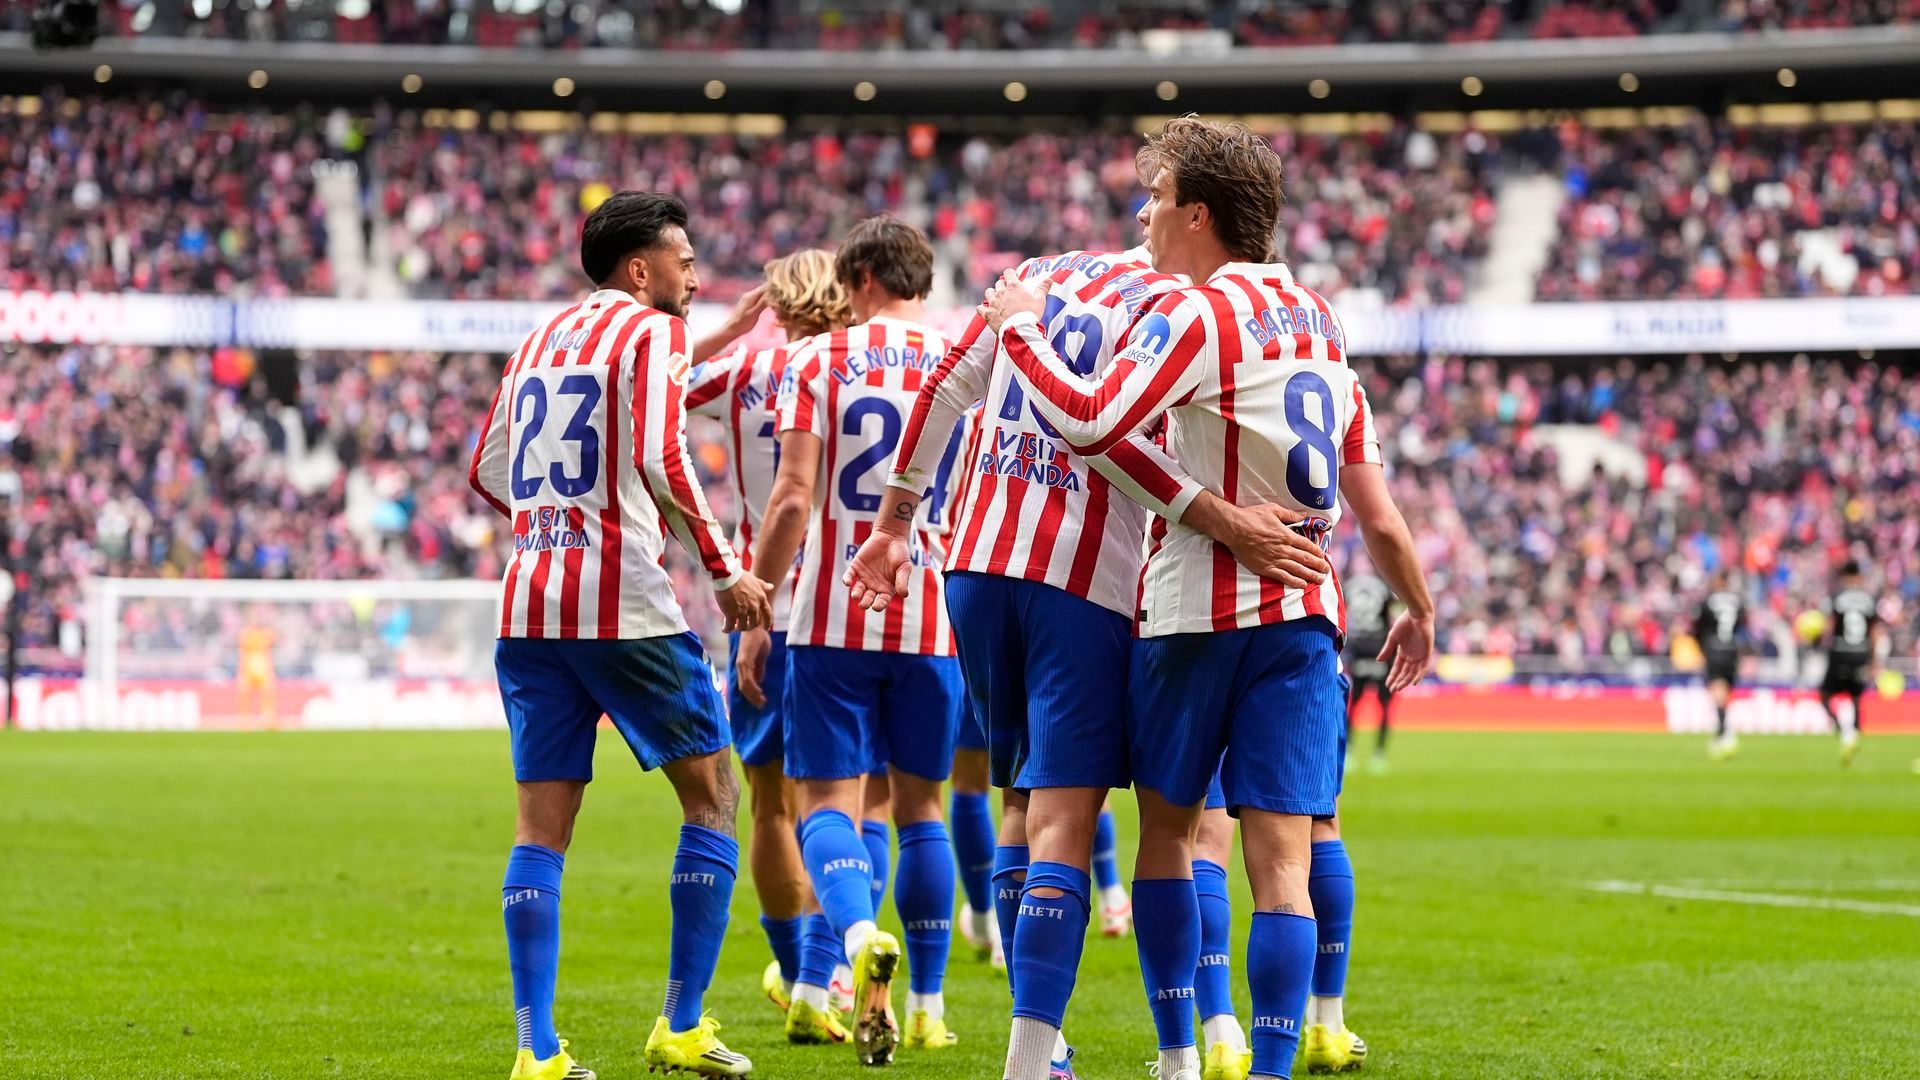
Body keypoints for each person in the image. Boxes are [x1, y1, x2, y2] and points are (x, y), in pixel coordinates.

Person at [980, 116, 1436, 1080]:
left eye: (1155, 199)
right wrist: (1420, 609)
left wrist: (1020, 330)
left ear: (1198, 214)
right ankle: (1266, 1067)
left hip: (1192, 614)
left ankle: (1182, 1053)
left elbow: (1095, 425)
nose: (1142, 217)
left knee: (1170, 838)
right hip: (1305, 626)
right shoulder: (1320, 323)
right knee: (1283, 865)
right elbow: (1383, 518)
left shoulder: (1196, 315)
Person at [845, 233, 1331, 1080]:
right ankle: (1068, 1061)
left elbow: (944, 389)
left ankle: (1048, 1048)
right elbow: (1111, 435)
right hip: (1084, 580)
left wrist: (892, 522)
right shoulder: (1176, 309)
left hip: (975, 563)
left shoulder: (1033, 274)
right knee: (1090, 824)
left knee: (1021, 806)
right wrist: (1219, 515)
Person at [468, 191, 772, 1080]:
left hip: (528, 605)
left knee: (540, 830)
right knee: (714, 793)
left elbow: (489, 469)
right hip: (621, 604)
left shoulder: (536, 344)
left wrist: (555, 518)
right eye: (683, 259)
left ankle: (537, 1050)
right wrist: (723, 569)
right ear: (640, 269)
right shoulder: (651, 332)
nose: (695, 274)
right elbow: (661, 454)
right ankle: (679, 1024)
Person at [739, 214, 969, 1065]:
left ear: (863, 278)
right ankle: (929, 1005)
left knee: (823, 807)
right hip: (930, 613)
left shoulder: (813, 360)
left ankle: (860, 933)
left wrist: (759, 606)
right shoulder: (965, 364)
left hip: (831, 615)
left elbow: (793, 497)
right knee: (921, 811)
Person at [683, 249, 867, 1043]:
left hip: (764, 601)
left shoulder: (743, 373)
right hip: (848, 608)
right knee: (851, 803)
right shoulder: (869, 365)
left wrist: (724, 332)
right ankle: (827, 976)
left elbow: (650, 393)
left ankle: (799, 974)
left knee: (766, 807)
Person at [1820, 561, 1882, 766]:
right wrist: (1873, 660)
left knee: (1825, 694)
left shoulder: (1837, 597)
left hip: (1839, 651)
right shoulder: (1869, 599)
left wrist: (1819, 641)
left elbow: (1829, 627)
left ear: (1845, 576)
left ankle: (1842, 728)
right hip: (1860, 652)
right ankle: (1855, 730)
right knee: (1856, 695)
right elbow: (1874, 633)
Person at [1341, 571, 1397, 775]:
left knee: (1353, 705)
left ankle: (1349, 752)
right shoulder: (1384, 586)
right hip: (1381, 650)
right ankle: (1379, 754)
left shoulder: (1350, 584)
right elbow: (1394, 617)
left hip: (1359, 649)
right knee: (1383, 706)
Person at [1693, 571, 1745, 761]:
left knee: (1717, 687)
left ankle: (1723, 728)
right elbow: (1741, 625)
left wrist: (1702, 648)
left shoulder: (1708, 602)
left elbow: (1698, 628)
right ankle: (1724, 727)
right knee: (1726, 689)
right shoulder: (1737, 602)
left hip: (1714, 649)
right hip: (1731, 650)